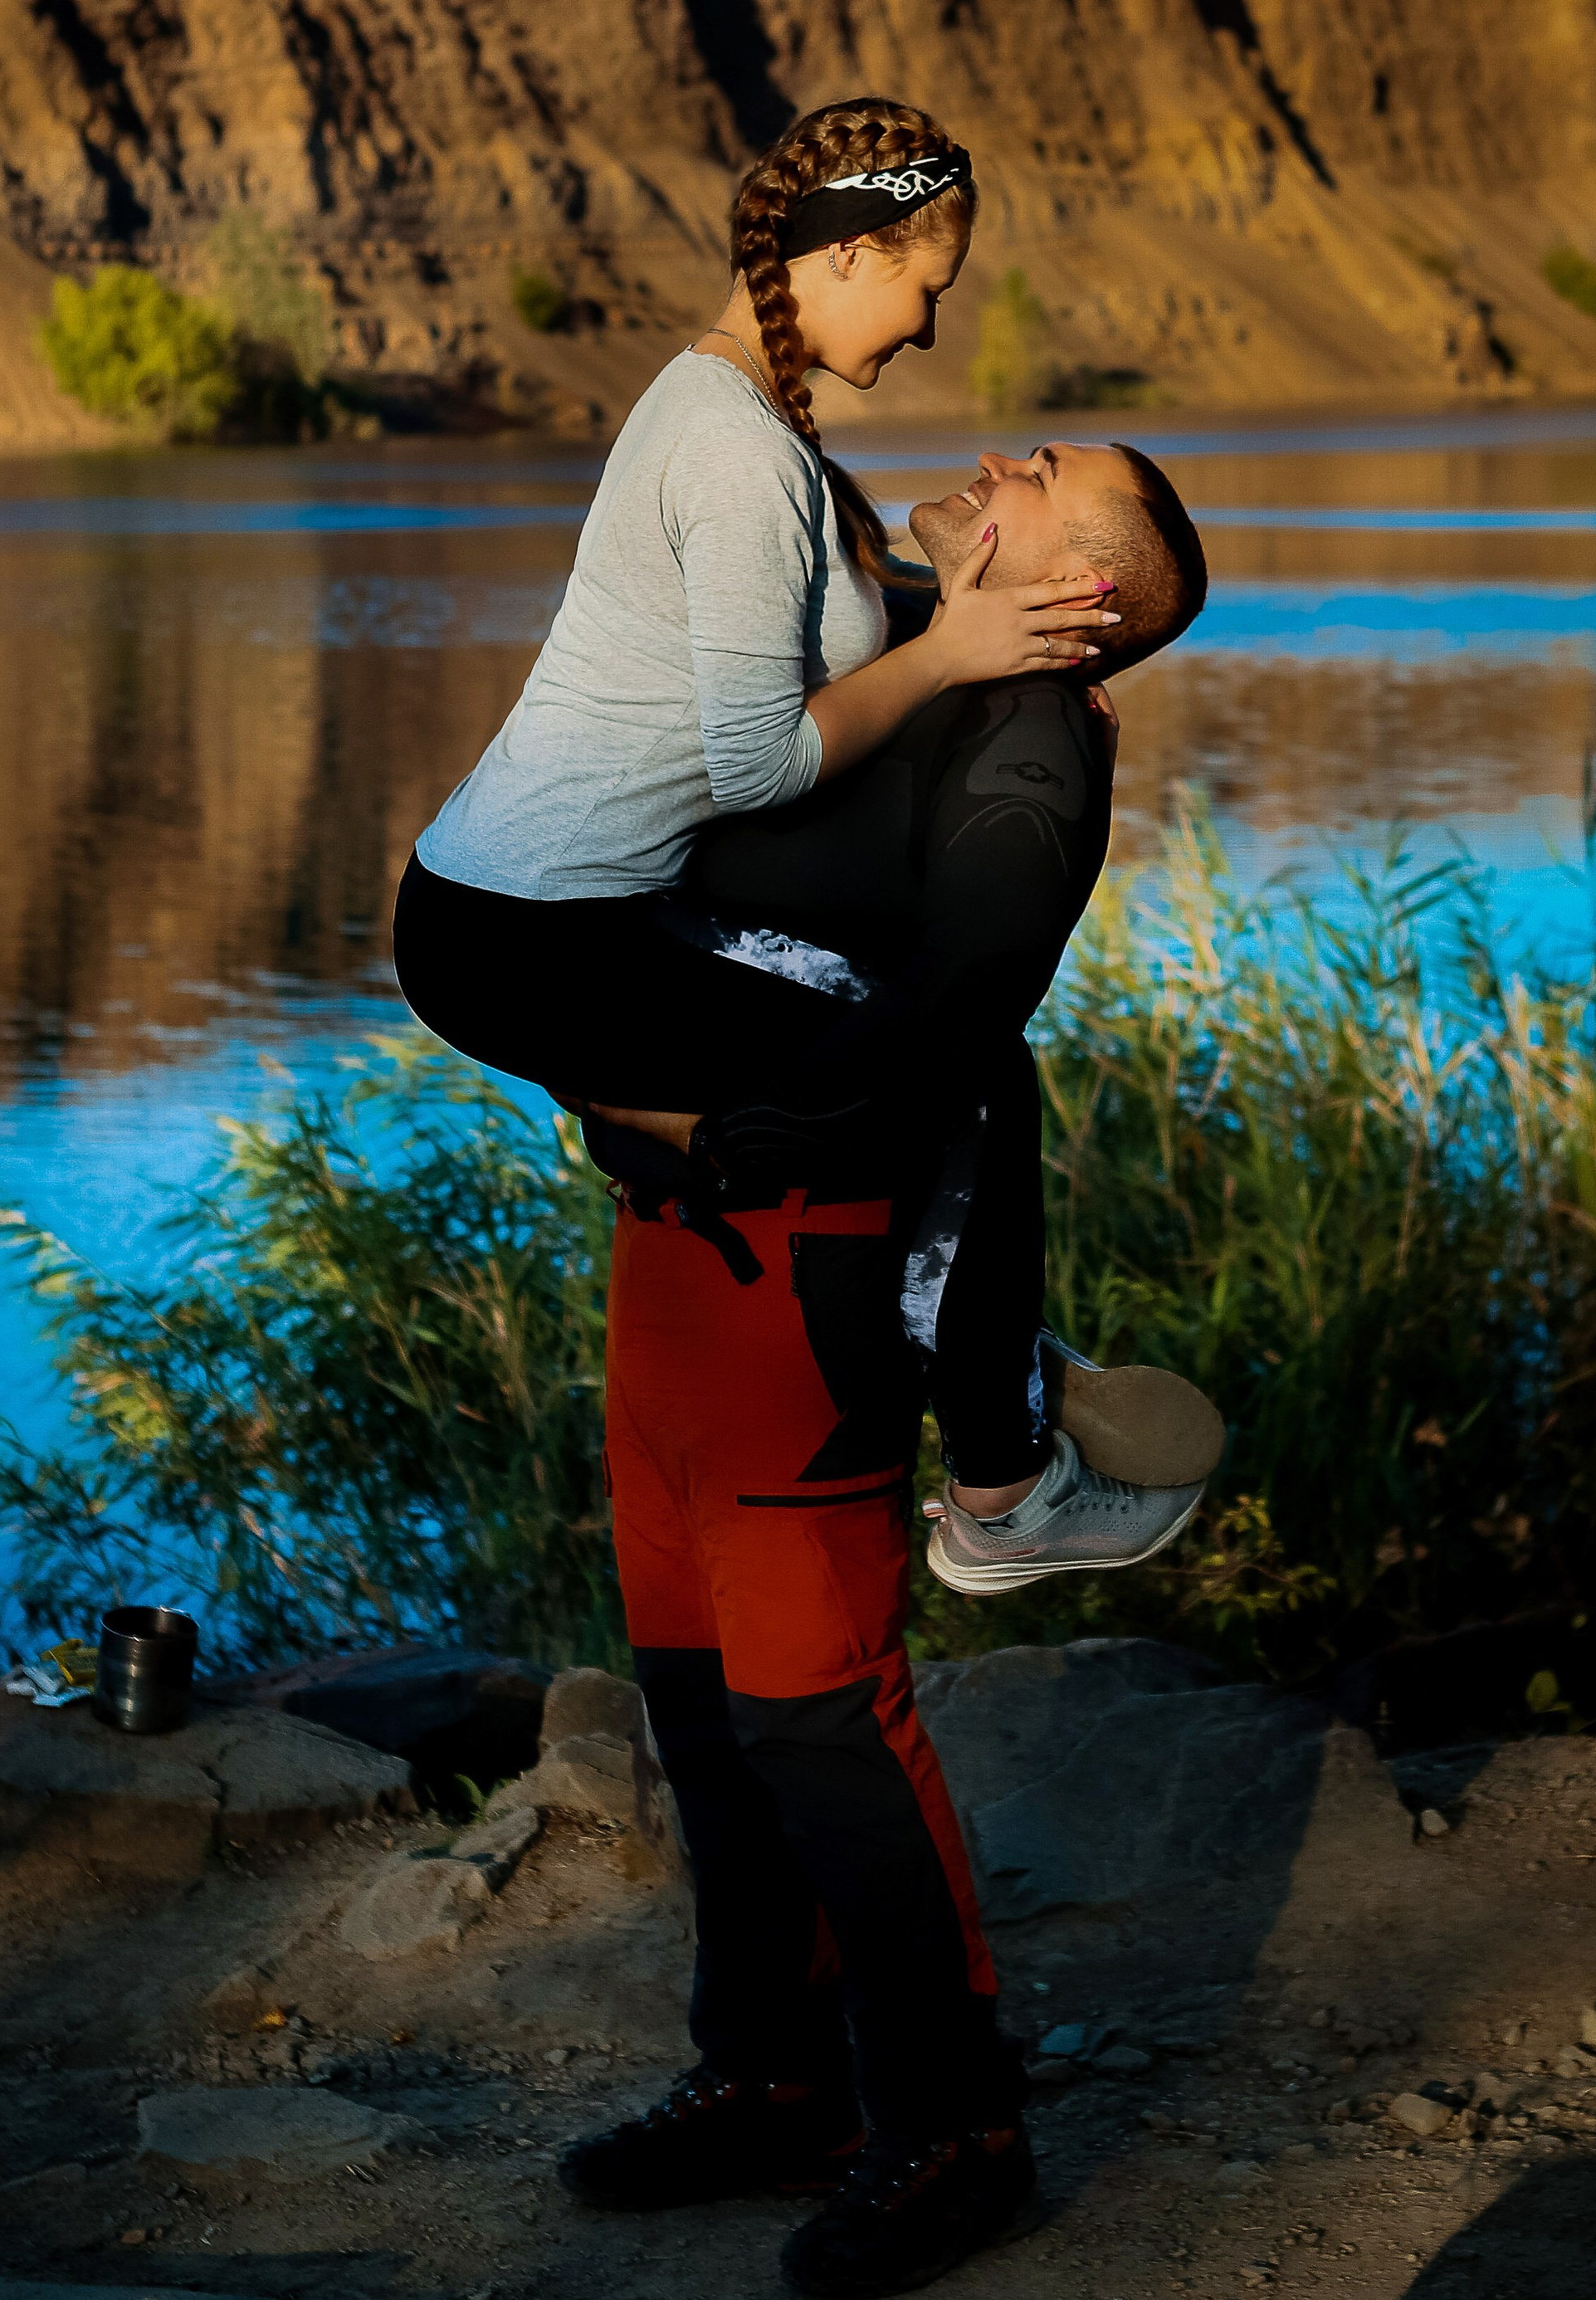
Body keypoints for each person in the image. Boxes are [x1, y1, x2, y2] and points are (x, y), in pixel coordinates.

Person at [554, 442, 1212, 2300]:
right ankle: (768, 2076)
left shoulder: (1025, 745)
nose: (998, 449)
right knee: (691, 1697)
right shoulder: (896, 644)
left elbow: (962, 1017)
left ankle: (951, 2128)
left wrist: (743, 1118)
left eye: (1048, 471)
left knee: (818, 1714)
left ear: (1082, 592)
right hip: (665, 1257)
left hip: (805, 1273)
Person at [395, 100, 1131, 1528]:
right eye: (930, 286)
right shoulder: (740, 450)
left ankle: (937, 1317)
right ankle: (1002, 1489)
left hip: (517, 906)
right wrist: (954, 656)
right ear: (853, 253)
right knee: (949, 1074)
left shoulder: (729, 409)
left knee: (897, 1053)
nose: (927, 325)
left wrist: (1019, 644)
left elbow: (812, 623)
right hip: (523, 935)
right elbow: (758, 764)